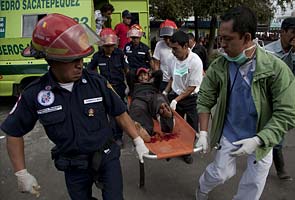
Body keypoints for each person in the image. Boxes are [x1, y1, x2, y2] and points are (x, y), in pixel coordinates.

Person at [0, 14, 149, 200]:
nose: (80, 65)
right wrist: (21, 173)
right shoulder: (35, 94)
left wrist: (137, 140)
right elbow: (13, 132)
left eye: (81, 58)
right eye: (73, 60)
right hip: (73, 164)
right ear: (51, 60)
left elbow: (119, 112)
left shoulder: (97, 82)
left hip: (106, 156)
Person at [195, 7, 295, 200]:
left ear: (247, 38)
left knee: (253, 186)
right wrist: (204, 132)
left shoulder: (276, 70)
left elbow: (287, 113)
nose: (222, 44)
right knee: (219, 173)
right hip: (230, 134)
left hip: (263, 139)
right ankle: (202, 189)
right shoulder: (220, 65)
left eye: (228, 39)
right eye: (220, 38)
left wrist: (259, 140)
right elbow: (205, 98)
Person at [163, 30, 203, 164]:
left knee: (191, 128)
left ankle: (187, 152)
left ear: (186, 46)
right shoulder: (171, 59)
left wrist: (176, 100)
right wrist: (165, 93)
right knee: (175, 125)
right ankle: (174, 148)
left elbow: (191, 87)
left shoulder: (195, 61)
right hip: (175, 95)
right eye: (171, 48)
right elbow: (171, 78)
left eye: (176, 48)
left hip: (190, 98)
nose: (173, 52)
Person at [265, 17, 295, 181]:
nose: (294, 37)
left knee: (278, 133)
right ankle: (280, 168)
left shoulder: (293, 51)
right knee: (276, 135)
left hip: (288, 99)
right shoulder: (269, 52)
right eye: (292, 33)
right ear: (282, 32)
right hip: (271, 100)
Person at [87, 28, 128, 147]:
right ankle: (110, 136)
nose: (109, 48)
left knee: (119, 112)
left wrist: (129, 87)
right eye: (107, 46)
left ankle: (118, 137)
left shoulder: (120, 54)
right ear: (102, 45)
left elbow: (127, 70)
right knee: (107, 113)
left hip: (119, 88)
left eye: (111, 46)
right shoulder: (97, 56)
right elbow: (90, 70)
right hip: (105, 89)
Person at [128, 67, 174, 142]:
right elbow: (129, 75)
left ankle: (164, 112)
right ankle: (145, 131)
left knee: (160, 99)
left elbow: (159, 73)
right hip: (140, 98)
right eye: (140, 75)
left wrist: (150, 74)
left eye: (145, 75)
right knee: (137, 108)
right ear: (137, 78)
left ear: (149, 76)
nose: (143, 77)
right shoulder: (134, 85)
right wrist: (137, 72)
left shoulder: (153, 84)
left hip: (153, 97)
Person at [124, 24, 154, 94]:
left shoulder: (145, 48)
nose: (134, 39)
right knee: (130, 74)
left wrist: (152, 72)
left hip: (142, 71)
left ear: (140, 37)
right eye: (133, 38)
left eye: (136, 38)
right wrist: (126, 70)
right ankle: (131, 91)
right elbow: (125, 60)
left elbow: (151, 61)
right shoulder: (127, 47)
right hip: (132, 72)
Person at [153, 19, 177, 91]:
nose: (167, 40)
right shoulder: (159, 45)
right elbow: (156, 63)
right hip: (163, 81)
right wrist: (157, 77)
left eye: (170, 37)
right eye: (165, 38)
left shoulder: (179, 45)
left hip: (176, 81)